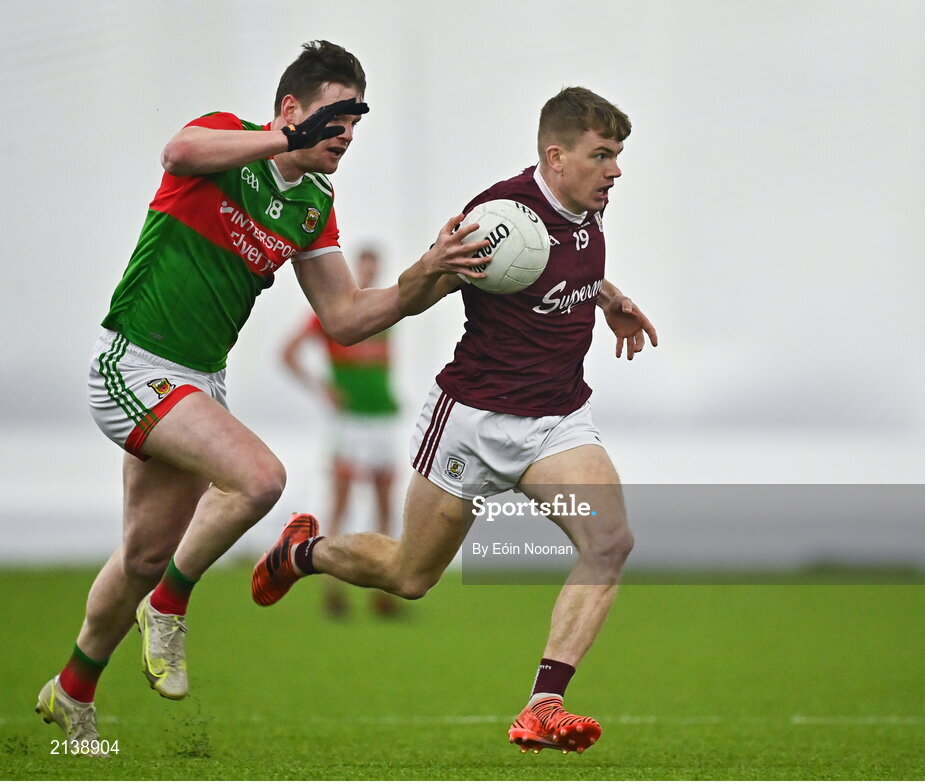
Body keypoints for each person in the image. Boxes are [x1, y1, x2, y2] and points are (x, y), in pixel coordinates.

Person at [35, 40, 490, 751]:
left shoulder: (313, 205)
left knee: (143, 555)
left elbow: (343, 316)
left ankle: (72, 692)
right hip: (133, 362)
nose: (344, 135)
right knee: (260, 479)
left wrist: (431, 273)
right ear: (289, 109)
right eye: (334, 117)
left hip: (197, 382)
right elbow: (178, 151)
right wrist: (280, 140)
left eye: (353, 125)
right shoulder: (227, 141)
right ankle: (171, 608)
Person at [252, 86, 657, 754]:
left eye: (617, 155)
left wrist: (609, 297)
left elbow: (565, 266)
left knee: (610, 542)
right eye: (602, 155)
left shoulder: (588, 208)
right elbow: (413, 297)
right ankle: (304, 552)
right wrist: (431, 264)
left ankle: (543, 704)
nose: (615, 170)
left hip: (555, 421)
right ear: (557, 157)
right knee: (409, 578)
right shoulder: (499, 221)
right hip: (473, 420)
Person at [280, 247, 401, 617]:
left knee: (385, 504)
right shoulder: (334, 311)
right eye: (362, 269)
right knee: (343, 502)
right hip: (350, 420)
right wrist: (322, 388)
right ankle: (332, 588)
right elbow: (288, 353)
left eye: (372, 268)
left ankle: (384, 590)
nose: (367, 275)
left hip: (383, 416)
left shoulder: (387, 311)